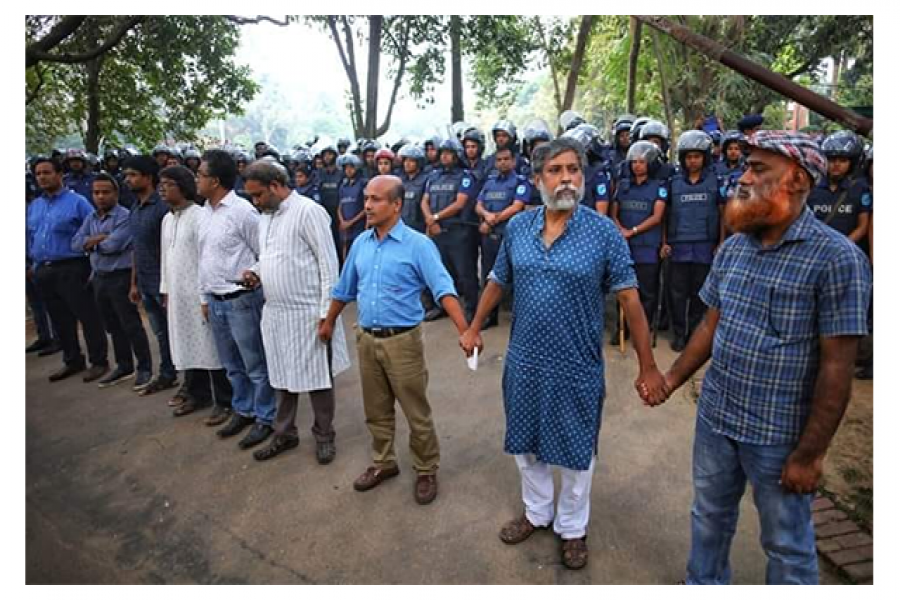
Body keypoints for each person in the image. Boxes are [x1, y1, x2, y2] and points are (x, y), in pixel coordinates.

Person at [658, 131, 871, 585]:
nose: (743, 178)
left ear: (797, 180)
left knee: (787, 543)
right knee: (709, 515)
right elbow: (710, 325)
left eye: (758, 169)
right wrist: (670, 380)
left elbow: (837, 368)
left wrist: (810, 455)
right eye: (745, 167)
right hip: (717, 419)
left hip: (778, 435)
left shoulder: (838, 259)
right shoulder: (734, 248)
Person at [459, 138, 667, 570]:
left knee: (576, 450)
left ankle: (572, 528)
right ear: (537, 179)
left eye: (573, 169)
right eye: (555, 170)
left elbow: (630, 299)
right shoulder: (519, 228)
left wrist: (648, 366)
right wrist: (475, 326)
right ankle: (537, 512)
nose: (567, 178)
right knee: (526, 444)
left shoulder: (603, 233)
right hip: (525, 361)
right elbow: (498, 279)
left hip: (576, 363)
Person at [322, 175, 469, 505]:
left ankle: (426, 468)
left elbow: (443, 288)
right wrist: (329, 321)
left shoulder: (418, 245)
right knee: (376, 410)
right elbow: (344, 289)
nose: (367, 205)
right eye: (366, 198)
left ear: (396, 205)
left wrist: (465, 330)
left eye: (375, 199)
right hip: (367, 339)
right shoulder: (361, 243)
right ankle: (383, 462)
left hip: (403, 343)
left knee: (416, 411)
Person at [239, 161, 351, 464]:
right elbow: (272, 256)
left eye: (259, 195)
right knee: (281, 376)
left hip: (308, 313)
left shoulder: (309, 212)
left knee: (317, 379)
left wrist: (327, 315)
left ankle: (324, 435)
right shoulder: (265, 217)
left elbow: (329, 265)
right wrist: (256, 272)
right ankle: (284, 433)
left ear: (276, 185)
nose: (255, 202)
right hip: (276, 314)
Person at [197, 149, 277, 447]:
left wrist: (253, 273)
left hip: (241, 299)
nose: (196, 179)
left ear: (215, 180)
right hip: (215, 299)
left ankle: (266, 417)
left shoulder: (242, 211)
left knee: (255, 363)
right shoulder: (204, 212)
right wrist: (204, 296)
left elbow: (265, 252)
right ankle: (244, 409)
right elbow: (203, 257)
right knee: (232, 365)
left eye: (200, 175)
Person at [158, 165, 233, 421]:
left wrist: (204, 296)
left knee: (210, 346)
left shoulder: (199, 216)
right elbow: (165, 257)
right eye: (161, 185)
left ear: (183, 186)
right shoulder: (167, 219)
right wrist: (165, 289)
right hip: (177, 293)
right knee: (186, 343)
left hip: (199, 293)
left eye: (169, 184)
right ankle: (196, 392)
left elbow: (206, 259)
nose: (162, 189)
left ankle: (224, 399)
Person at [27, 157, 109, 383]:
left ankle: (99, 361)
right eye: (38, 174)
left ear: (59, 174)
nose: (42, 177)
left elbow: (95, 229)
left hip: (72, 267)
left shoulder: (77, 202)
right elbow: (30, 236)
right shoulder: (35, 206)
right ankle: (72, 360)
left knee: (87, 315)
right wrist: (31, 264)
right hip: (43, 269)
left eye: (47, 172)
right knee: (59, 318)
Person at [72, 173, 153, 388]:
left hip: (121, 277)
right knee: (112, 325)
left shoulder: (124, 217)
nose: (100, 196)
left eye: (105, 192)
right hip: (99, 277)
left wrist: (92, 243)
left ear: (116, 193)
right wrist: (97, 240)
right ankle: (124, 365)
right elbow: (75, 243)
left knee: (130, 324)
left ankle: (144, 367)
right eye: (96, 192)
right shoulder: (91, 218)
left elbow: (114, 245)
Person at [662, 131, 725, 352]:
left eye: (697, 156)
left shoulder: (715, 181)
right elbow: (665, 215)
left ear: (705, 157)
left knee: (700, 294)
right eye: (688, 157)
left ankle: (693, 334)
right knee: (677, 293)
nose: (693, 161)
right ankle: (679, 333)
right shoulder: (674, 183)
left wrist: (721, 242)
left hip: (704, 247)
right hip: (679, 246)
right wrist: (665, 242)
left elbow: (723, 214)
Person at [123, 156, 179, 394]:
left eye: (133, 175)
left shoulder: (162, 208)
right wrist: (134, 283)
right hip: (146, 282)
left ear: (147, 178)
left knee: (177, 331)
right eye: (126, 175)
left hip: (164, 281)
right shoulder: (135, 208)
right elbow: (136, 248)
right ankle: (167, 373)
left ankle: (189, 380)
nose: (128, 180)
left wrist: (168, 284)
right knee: (160, 332)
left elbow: (169, 249)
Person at [610, 141, 668, 342]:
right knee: (623, 288)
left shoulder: (659, 187)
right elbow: (614, 212)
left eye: (642, 162)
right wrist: (620, 229)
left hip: (647, 246)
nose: (637, 166)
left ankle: (642, 331)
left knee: (647, 292)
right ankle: (622, 328)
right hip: (625, 247)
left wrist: (632, 231)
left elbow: (657, 217)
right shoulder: (623, 186)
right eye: (634, 162)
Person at [421, 138, 479, 323]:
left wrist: (435, 218)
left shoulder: (465, 177)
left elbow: (460, 203)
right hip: (437, 232)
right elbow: (424, 201)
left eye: (449, 153)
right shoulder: (433, 176)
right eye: (442, 153)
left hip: (458, 232)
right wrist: (430, 220)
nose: (444, 156)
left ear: (456, 156)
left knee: (465, 274)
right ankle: (442, 308)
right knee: (441, 273)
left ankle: (472, 310)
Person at [474, 146, 527, 329]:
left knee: (517, 277)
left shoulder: (520, 182)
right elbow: (478, 205)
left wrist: (491, 221)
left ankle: (520, 318)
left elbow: (517, 206)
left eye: (506, 159)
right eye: (499, 160)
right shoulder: (490, 182)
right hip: (490, 237)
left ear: (513, 161)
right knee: (489, 276)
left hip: (510, 237)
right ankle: (490, 316)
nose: (502, 163)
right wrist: (486, 216)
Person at [806, 130, 871, 246]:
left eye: (843, 160)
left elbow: (862, 226)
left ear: (852, 163)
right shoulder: (812, 187)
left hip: (849, 248)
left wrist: (842, 247)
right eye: (832, 160)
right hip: (816, 247)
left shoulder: (860, 188)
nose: (837, 164)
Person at [337, 154, 368, 261]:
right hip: (345, 228)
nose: (349, 170)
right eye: (346, 168)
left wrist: (351, 222)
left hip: (358, 227)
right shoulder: (343, 185)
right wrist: (342, 221)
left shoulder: (363, 184)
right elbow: (340, 205)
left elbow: (366, 208)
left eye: (351, 167)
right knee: (346, 255)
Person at [317, 144, 344, 258]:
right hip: (324, 212)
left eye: (330, 154)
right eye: (325, 155)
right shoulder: (320, 173)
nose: (327, 157)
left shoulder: (341, 173)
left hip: (338, 212)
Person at [397, 144, 428, 233]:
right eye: (405, 160)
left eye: (411, 161)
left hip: (418, 227)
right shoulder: (400, 180)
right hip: (401, 225)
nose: (407, 164)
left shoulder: (426, 180)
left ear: (419, 163)